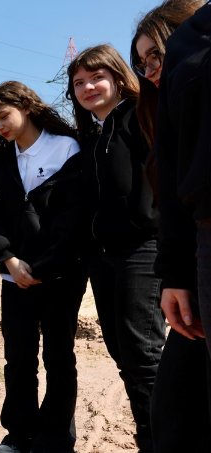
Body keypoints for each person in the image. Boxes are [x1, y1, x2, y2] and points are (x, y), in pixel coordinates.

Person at [67, 45, 166, 453]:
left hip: (142, 250)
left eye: (96, 77)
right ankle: (151, 436)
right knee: (123, 354)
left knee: (144, 355)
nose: (88, 87)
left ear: (117, 76)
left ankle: (162, 440)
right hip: (104, 258)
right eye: (79, 83)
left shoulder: (140, 115)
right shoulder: (93, 136)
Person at [0, 81, 85, 453]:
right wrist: (8, 259)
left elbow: (73, 218)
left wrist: (40, 267)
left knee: (58, 356)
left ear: (26, 107)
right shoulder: (1, 162)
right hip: (14, 277)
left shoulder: (66, 148)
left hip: (60, 275)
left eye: (3, 115)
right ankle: (20, 433)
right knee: (18, 357)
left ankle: (55, 438)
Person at [129, 2, 211, 451]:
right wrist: (177, 274)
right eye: (141, 63)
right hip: (191, 265)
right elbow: (174, 202)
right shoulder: (154, 117)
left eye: (153, 56)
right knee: (175, 410)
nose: (148, 70)